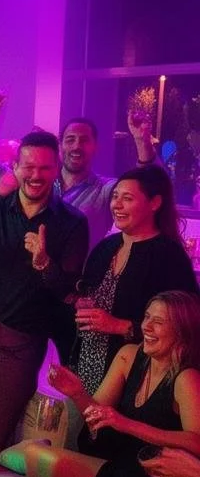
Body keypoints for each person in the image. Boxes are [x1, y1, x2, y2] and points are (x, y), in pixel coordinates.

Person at [7, 291, 200, 477]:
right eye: (147, 317)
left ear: (182, 333)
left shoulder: (187, 378)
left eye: (159, 322)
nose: (146, 326)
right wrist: (77, 393)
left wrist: (126, 423)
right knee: (37, 457)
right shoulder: (128, 356)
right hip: (123, 471)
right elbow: (98, 416)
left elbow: (196, 442)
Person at [0, 129, 89, 460]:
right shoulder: (0, 205)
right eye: (28, 166)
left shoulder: (72, 221)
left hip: (22, 342)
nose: (35, 175)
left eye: (44, 168)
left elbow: (68, 291)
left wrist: (44, 264)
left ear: (56, 169)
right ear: (15, 167)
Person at [68, 165, 197, 397]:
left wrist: (120, 326)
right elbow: (85, 293)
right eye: (115, 196)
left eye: (127, 198)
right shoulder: (106, 247)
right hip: (87, 364)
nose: (116, 204)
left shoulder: (168, 255)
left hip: (136, 375)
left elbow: (186, 323)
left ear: (154, 203)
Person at [0, 97, 159, 250]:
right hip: (23, 284)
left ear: (95, 147)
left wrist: (142, 141)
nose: (77, 146)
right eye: (70, 139)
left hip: (74, 286)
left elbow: (145, 186)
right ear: (60, 146)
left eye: (84, 140)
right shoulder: (34, 180)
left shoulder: (104, 190)